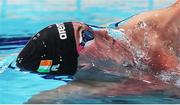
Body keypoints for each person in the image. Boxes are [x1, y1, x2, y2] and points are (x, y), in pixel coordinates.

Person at [16, 0, 180, 76]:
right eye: (86, 35)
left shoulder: (153, 30)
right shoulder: (109, 86)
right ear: (82, 66)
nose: (103, 32)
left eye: (89, 27)